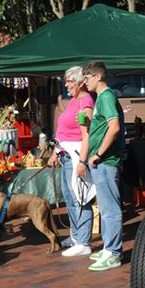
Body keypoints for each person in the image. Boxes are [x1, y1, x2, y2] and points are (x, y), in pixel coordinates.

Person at [47, 66, 95, 257]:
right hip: (65, 155)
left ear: (81, 81)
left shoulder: (86, 101)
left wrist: (83, 161)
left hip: (76, 156)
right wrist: (56, 152)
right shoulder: (74, 100)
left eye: (69, 81)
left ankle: (83, 241)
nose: (66, 84)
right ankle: (76, 235)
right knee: (69, 198)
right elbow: (64, 132)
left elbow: (87, 134)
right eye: (65, 80)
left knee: (79, 198)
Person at [83, 61, 125, 271]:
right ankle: (109, 248)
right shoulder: (102, 98)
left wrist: (98, 153)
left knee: (110, 209)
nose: (85, 82)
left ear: (98, 76)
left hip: (106, 161)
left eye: (87, 77)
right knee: (106, 207)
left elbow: (114, 127)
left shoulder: (107, 96)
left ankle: (114, 252)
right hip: (102, 161)